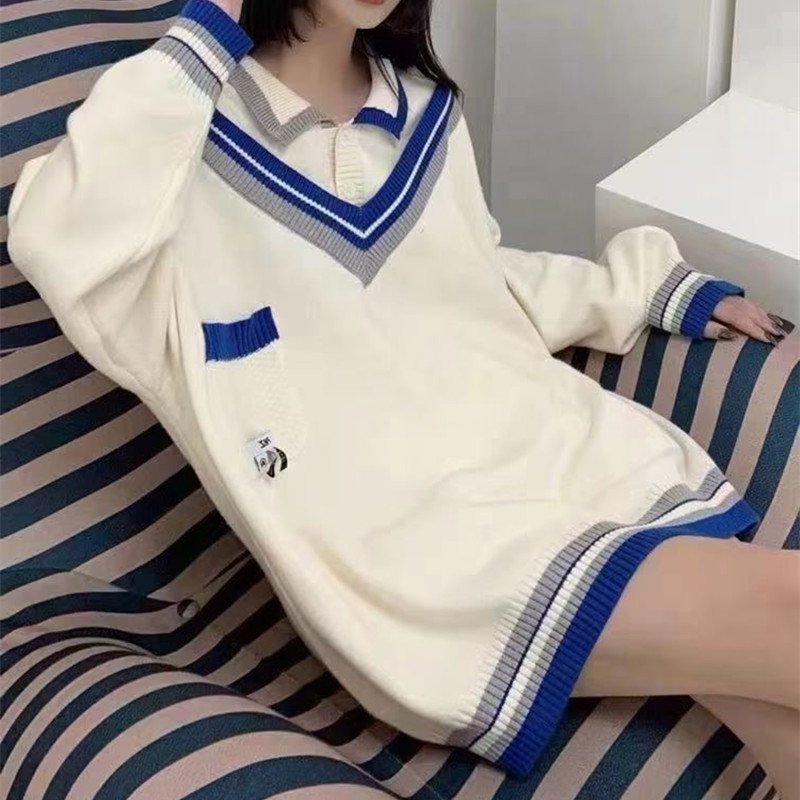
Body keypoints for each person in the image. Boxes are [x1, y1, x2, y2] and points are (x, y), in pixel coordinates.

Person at [7, 0, 798, 794]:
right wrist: (210, 28)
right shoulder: (175, 143)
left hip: (535, 454)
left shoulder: (424, 109)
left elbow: (476, 283)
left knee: (770, 703)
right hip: (415, 563)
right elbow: (58, 240)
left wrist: (642, 290)